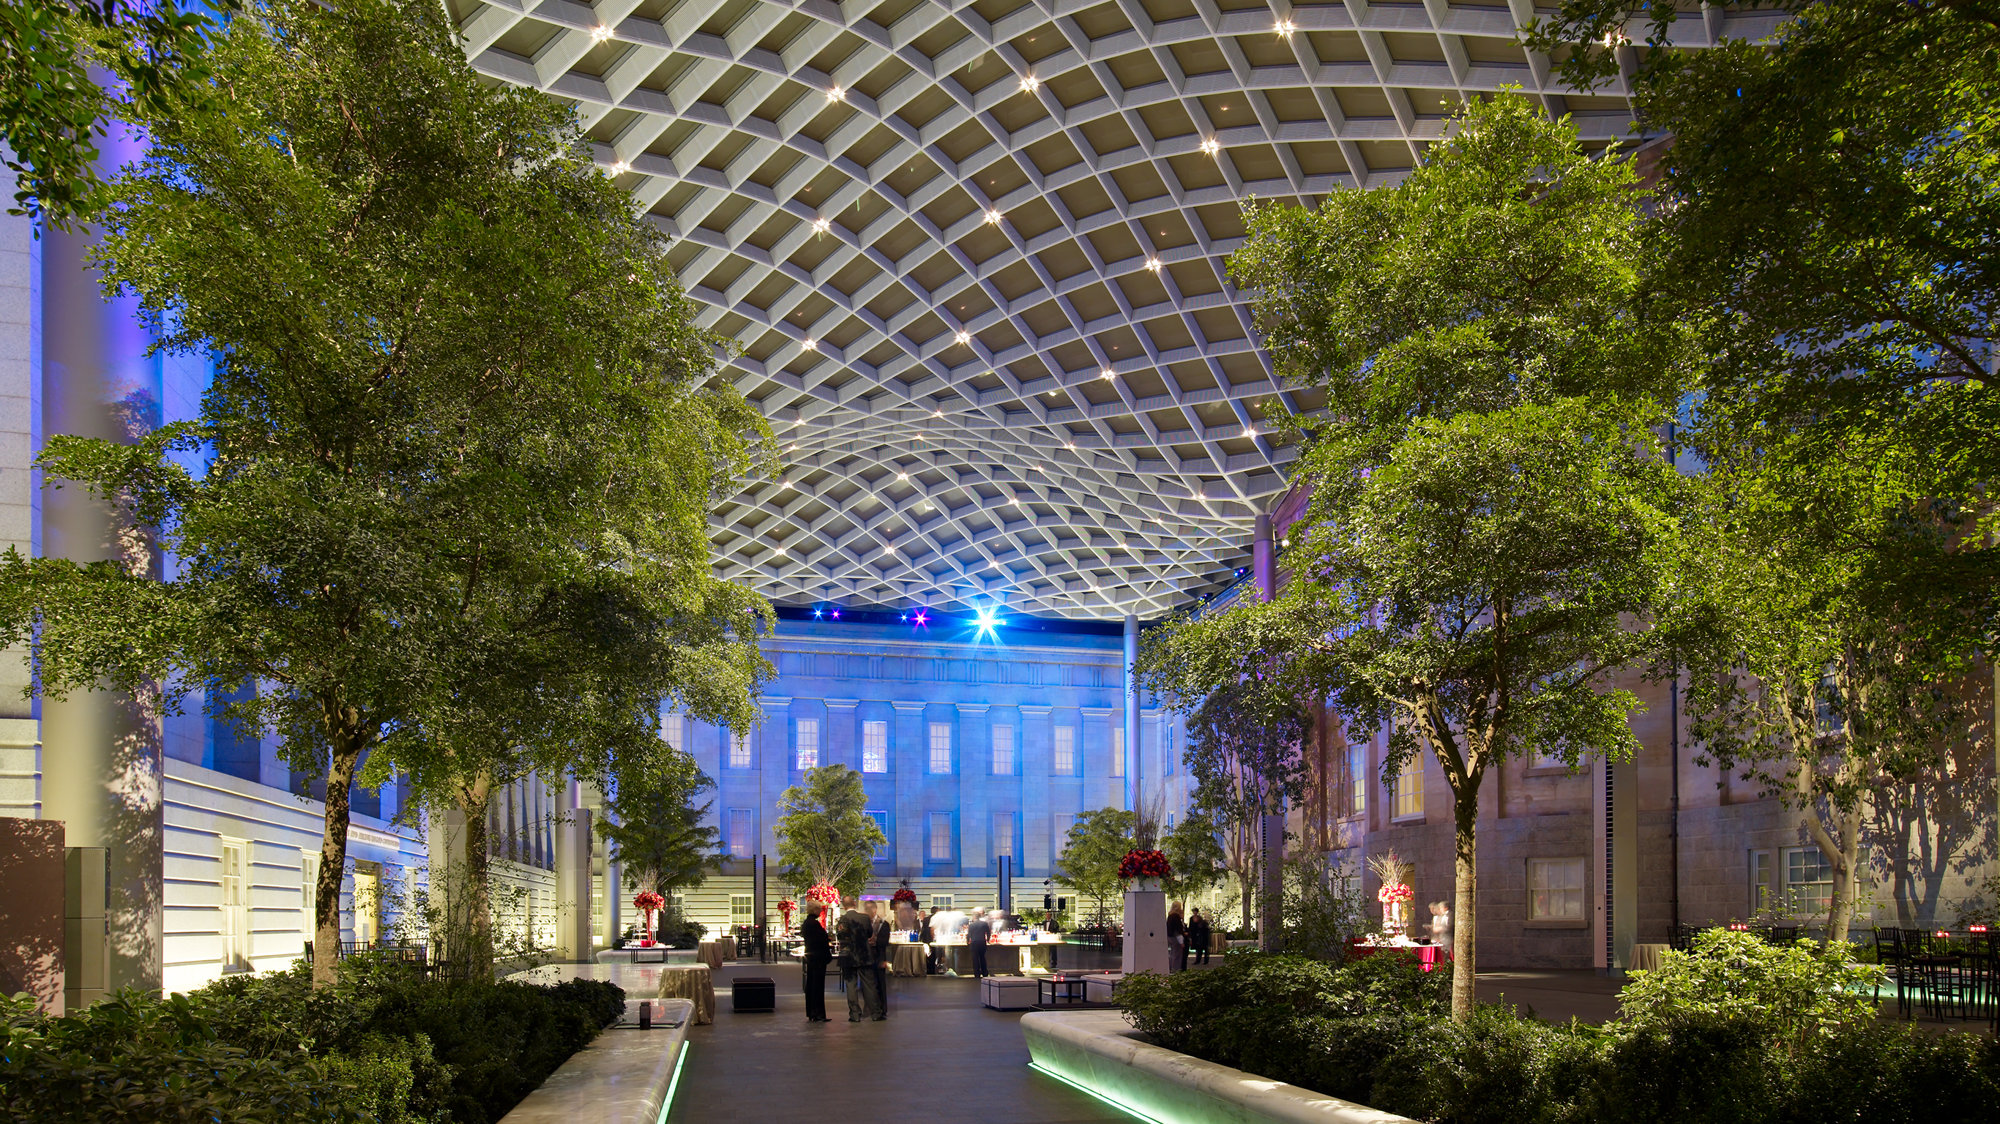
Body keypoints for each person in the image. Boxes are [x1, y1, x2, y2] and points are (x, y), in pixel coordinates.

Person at [836, 896, 875, 1022]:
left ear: (843, 906)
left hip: (848, 956)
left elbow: (840, 936)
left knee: (851, 985)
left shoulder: (842, 920)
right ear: (855, 903)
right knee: (868, 985)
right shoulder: (864, 918)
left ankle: (854, 1014)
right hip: (864, 954)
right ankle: (875, 1013)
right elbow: (870, 933)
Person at [801, 900, 832, 1022]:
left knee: (811, 984)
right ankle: (818, 1012)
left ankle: (812, 1012)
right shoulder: (814, 924)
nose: (821, 911)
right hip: (818, 958)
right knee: (818, 986)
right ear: (815, 910)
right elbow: (822, 940)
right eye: (819, 909)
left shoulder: (807, 923)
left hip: (811, 957)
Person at [864, 901, 890, 1020]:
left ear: (874, 910)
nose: (866, 912)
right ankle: (870, 1008)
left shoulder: (883, 924)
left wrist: (874, 942)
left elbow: (884, 942)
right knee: (868, 984)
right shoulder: (864, 923)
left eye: (868, 910)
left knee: (880, 984)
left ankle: (882, 1009)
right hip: (867, 957)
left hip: (879, 957)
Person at [967, 907, 992, 979]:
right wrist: (988, 940)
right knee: (982, 958)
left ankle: (977, 973)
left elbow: (969, 935)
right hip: (982, 942)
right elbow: (988, 933)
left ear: (974, 917)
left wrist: (967, 941)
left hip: (974, 943)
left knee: (975, 959)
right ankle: (985, 972)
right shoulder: (984, 924)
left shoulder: (971, 925)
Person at [1167, 900, 1187, 973]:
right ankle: (1176, 969)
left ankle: (1170, 967)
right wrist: (1181, 941)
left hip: (1170, 937)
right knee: (1177, 955)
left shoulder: (1170, 915)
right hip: (1175, 938)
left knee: (1172, 953)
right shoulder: (1176, 916)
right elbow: (1178, 930)